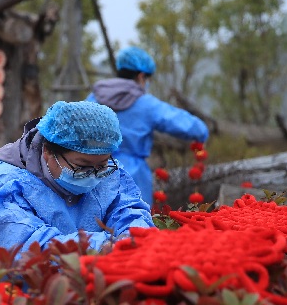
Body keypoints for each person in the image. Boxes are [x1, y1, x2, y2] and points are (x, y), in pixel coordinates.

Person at [0, 100, 153, 254]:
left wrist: (133, 236)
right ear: (47, 152)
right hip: (7, 293)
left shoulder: (108, 172)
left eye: (101, 166)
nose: (94, 176)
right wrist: (100, 247)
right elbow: (27, 247)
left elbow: (128, 209)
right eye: (82, 167)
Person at [86, 46, 209, 206]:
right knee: (135, 226)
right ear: (141, 76)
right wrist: (201, 134)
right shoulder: (145, 104)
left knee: (93, 226)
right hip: (132, 176)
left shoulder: (94, 98)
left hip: (92, 171)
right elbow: (187, 125)